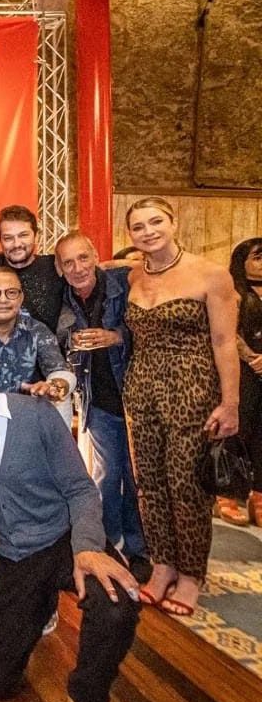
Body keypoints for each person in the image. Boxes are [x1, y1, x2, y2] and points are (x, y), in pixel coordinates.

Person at [0, 335, 140, 702]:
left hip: (66, 537)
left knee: (118, 602)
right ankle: (39, 604)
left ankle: (86, 698)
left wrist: (88, 548)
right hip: (15, 552)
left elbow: (80, 488)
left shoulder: (35, 414)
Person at [123, 197, 240, 616]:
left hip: (192, 390)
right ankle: (163, 565)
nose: (148, 231)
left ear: (173, 223)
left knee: (187, 486)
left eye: (156, 221)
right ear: (130, 234)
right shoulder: (134, 273)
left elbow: (224, 343)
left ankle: (191, 575)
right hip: (142, 389)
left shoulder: (211, 274)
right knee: (150, 484)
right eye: (139, 226)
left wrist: (231, 403)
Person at [56, 233, 147, 565]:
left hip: (136, 395)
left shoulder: (123, 283)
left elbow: (147, 326)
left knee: (136, 477)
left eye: (83, 258)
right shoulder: (63, 296)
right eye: (68, 262)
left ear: (96, 256)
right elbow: (62, 339)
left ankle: (138, 549)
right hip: (97, 398)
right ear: (59, 268)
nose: (78, 268)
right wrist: (71, 344)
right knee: (107, 476)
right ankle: (110, 543)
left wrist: (116, 336)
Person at [0, 266, 74, 416]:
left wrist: (54, 387)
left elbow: (59, 370)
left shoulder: (36, 329)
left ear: (21, 298)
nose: (3, 300)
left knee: (60, 400)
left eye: (11, 293)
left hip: (27, 416)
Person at [219, 237, 262, 525]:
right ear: (241, 262)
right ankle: (227, 494)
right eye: (257, 257)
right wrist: (253, 358)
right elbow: (226, 332)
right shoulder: (232, 292)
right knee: (238, 429)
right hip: (241, 369)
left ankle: (258, 495)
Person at [0, 205, 65, 332]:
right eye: (8, 238)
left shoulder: (54, 266)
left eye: (23, 235)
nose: (16, 244)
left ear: (36, 236)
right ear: (0, 240)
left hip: (46, 343)